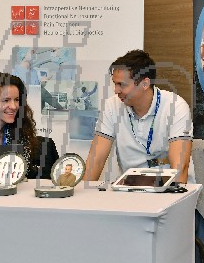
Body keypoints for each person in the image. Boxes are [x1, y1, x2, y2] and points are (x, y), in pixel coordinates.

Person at [82, 49, 193, 185]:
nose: (116, 90)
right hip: (130, 189)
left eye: (121, 84)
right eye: (115, 84)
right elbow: (96, 160)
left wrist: (175, 196)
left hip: (169, 187)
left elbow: (180, 169)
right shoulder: (112, 106)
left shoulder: (175, 106)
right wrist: (83, 193)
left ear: (145, 83)